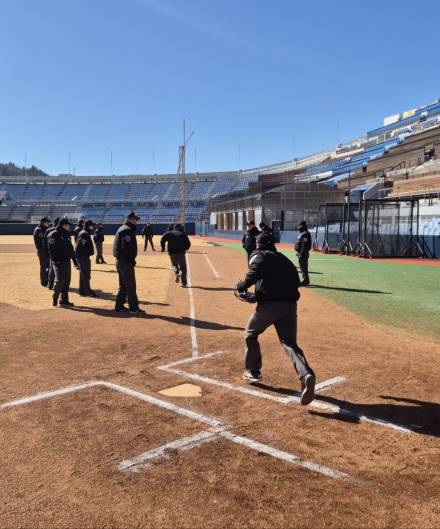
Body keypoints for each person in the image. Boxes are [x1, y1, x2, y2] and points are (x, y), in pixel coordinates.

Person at [235, 232, 316, 406]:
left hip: (269, 307)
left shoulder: (260, 256)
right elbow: (295, 281)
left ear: (259, 245)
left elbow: (253, 273)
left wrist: (242, 286)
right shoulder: (284, 259)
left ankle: (254, 371)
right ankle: (306, 374)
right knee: (290, 344)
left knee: (250, 334)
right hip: (290, 307)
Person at [113, 212, 144, 314]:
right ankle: (133, 307)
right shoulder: (127, 230)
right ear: (129, 219)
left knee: (124, 284)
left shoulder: (122, 228)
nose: (135, 221)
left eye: (136, 219)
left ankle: (119, 305)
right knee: (130, 284)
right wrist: (131, 259)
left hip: (120, 260)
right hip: (125, 261)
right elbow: (126, 247)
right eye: (134, 219)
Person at [47, 217, 78, 307]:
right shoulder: (53, 235)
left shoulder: (66, 235)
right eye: (68, 225)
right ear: (64, 225)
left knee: (67, 281)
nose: (69, 227)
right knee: (59, 281)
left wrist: (74, 260)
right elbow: (50, 250)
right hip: (58, 262)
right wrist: (55, 261)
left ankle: (64, 300)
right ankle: (55, 297)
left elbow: (71, 249)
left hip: (67, 261)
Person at [76, 219, 97, 297]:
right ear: (88, 226)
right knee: (85, 274)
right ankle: (88, 291)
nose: (93, 227)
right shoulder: (84, 234)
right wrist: (80, 258)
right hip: (83, 257)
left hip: (83, 257)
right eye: (92, 225)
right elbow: (79, 247)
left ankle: (82, 291)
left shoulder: (84, 233)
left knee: (83, 274)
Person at [43, 217, 60, 290]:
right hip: (56, 252)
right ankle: (55, 284)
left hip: (50, 252)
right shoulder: (57, 230)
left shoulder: (48, 230)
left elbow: (45, 242)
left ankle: (50, 284)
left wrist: (47, 252)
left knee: (52, 269)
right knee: (55, 269)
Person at [33, 217, 50, 286]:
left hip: (45, 251)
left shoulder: (43, 229)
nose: (48, 224)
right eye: (47, 222)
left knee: (48, 266)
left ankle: (47, 279)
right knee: (44, 266)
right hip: (42, 251)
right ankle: (43, 281)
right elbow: (41, 243)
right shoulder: (39, 230)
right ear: (43, 223)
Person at [295, 220, 312, 286]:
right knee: (302, 267)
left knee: (304, 267)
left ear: (302, 226)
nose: (298, 228)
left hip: (303, 253)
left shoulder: (305, 234)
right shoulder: (303, 233)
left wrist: (302, 253)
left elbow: (304, 245)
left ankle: (306, 280)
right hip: (301, 253)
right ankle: (305, 279)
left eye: (299, 226)